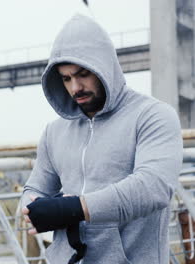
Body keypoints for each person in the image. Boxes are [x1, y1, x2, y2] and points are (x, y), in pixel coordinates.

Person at [20, 14, 183, 263]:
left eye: (83, 74)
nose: (76, 88)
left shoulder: (153, 116)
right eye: (66, 78)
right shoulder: (54, 132)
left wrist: (75, 208)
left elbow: (153, 187)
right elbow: (35, 188)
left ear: (104, 66)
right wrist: (32, 207)